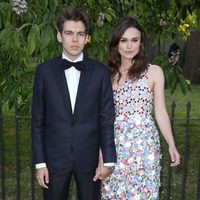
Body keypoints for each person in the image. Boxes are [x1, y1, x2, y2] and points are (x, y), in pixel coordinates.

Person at [31, 5, 116, 200]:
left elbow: (106, 118)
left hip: (89, 158)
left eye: (80, 34)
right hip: (54, 158)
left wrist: (109, 160)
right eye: (69, 33)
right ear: (59, 36)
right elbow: (37, 121)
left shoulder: (100, 72)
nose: (75, 39)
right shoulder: (44, 72)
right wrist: (40, 163)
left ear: (87, 38)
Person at [100, 16, 180, 199]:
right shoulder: (107, 75)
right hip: (115, 147)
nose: (129, 46)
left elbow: (160, 111)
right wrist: (101, 153)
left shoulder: (155, 72)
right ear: (116, 44)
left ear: (141, 42)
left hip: (145, 147)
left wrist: (171, 144)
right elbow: (102, 118)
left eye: (134, 40)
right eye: (124, 40)